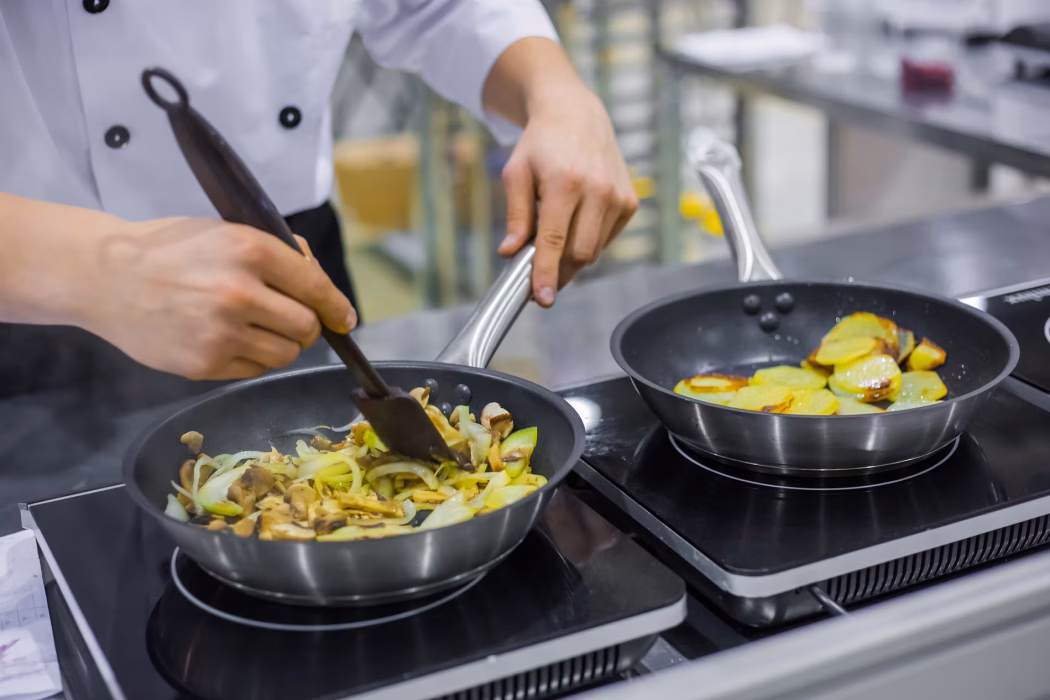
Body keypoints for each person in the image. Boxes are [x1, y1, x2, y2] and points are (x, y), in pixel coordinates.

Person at [0, 1, 637, 389]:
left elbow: (441, 6)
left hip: (293, 262)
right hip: (30, 299)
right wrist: (101, 269)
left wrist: (553, 91)